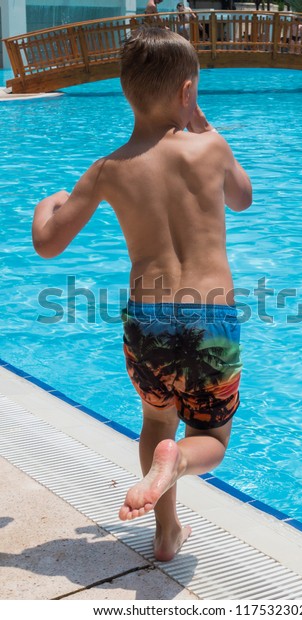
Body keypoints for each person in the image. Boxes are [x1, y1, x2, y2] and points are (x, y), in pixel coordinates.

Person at [32, 27, 252, 562]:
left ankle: (165, 531)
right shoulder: (211, 148)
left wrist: (49, 202)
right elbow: (243, 199)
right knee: (211, 440)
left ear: (125, 93)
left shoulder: (111, 169)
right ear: (188, 90)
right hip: (211, 318)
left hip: (146, 321)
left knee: (157, 421)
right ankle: (177, 462)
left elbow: (48, 244)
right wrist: (207, 124)